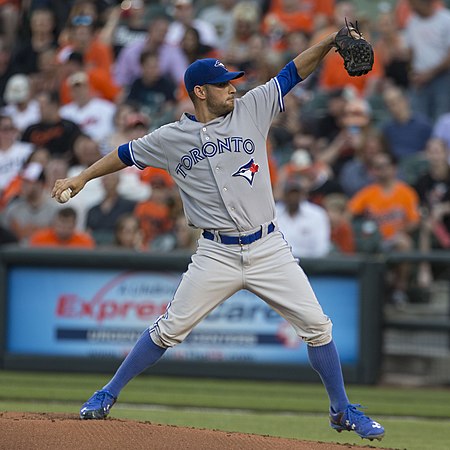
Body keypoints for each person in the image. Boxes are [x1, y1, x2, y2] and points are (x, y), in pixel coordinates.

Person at [52, 30, 385, 440]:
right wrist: (82, 176)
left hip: (268, 247)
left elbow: (292, 72)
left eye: (232, 82)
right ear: (200, 92)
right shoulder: (170, 138)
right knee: (169, 330)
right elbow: (125, 155)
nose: (232, 89)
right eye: (223, 84)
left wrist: (332, 42)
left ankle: (342, 409)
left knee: (318, 328)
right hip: (216, 254)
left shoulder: (253, 108)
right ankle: (107, 393)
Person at [275, 178, 331, 258]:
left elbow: (321, 249)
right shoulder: (274, 214)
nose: (293, 197)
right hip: (279, 263)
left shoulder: (317, 214)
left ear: (302, 194)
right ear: (284, 195)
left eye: (296, 193)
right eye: (290, 194)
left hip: (310, 264)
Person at [29, 206, 95, 248]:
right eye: (60, 225)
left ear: (74, 225)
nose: (63, 229)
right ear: (54, 223)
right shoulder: (39, 239)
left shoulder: (85, 242)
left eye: (67, 225)